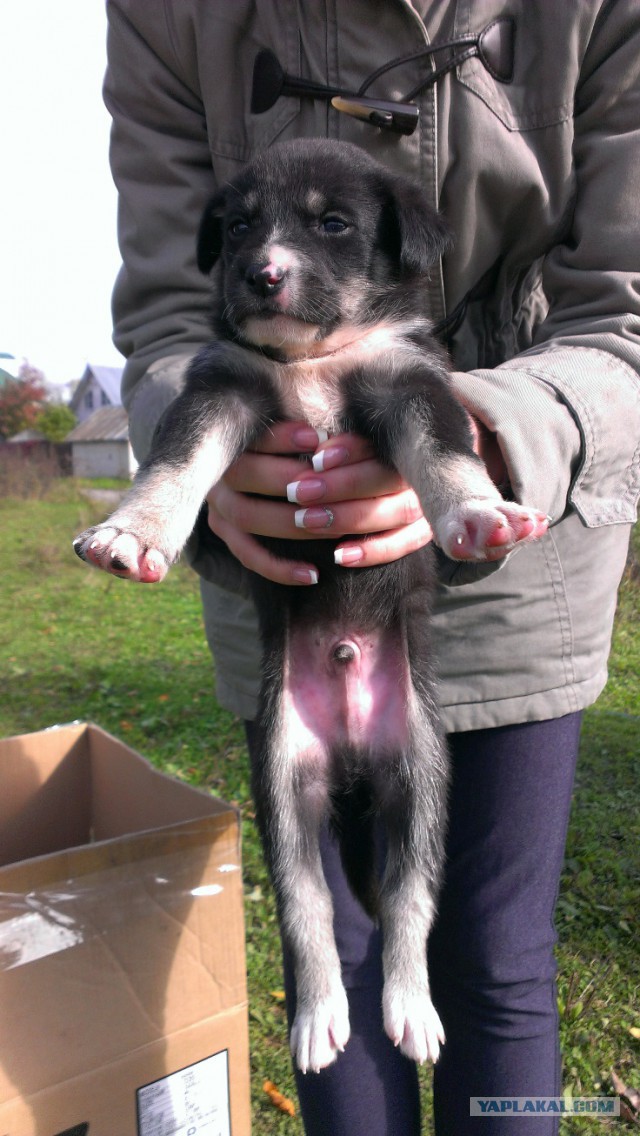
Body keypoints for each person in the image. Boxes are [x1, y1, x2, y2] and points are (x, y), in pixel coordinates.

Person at [103, 3, 640, 1132]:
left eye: (313, 232)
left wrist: (486, 444)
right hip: (282, 591)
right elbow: (165, 313)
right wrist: (183, 468)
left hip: (519, 526)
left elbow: (625, 309)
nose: (266, 262)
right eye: (248, 237)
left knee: (493, 954)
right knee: (326, 951)